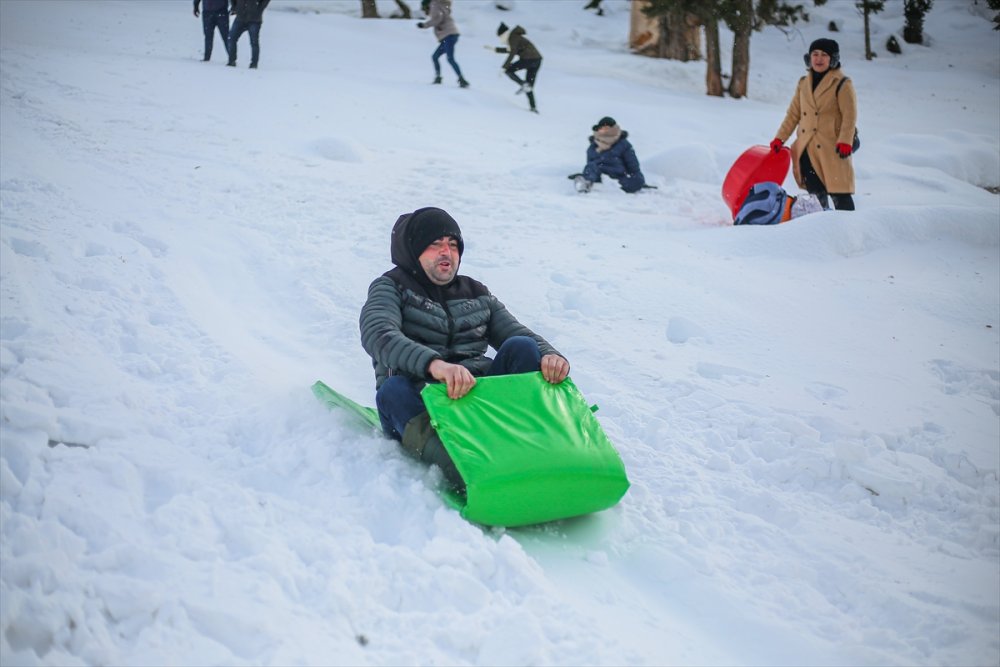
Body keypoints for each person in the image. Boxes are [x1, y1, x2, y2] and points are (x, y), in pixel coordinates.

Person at [359, 207, 570, 491]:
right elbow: (378, 333)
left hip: (478, 406)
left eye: (453, 245)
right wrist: (435, 365)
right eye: (435, 245)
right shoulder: (391, 287)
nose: (446, 252)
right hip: (422, 405)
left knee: (522, 347)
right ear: (413, 251)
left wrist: (552, 356)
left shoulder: (475, 292)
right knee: (392, 390)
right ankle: (469, 473)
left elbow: (516, 331)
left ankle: (541, 446)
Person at [771, 38, 858, 211]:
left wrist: (846, 141)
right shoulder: (803, 83)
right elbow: (793, 114)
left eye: (824, 55)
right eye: (815, 54)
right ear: (808, 58)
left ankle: (848, 231)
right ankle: (820, 232)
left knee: (840, 195)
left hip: (833, 148)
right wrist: (780, 138)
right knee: (816, 198)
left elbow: (850, 115)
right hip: (807, 149)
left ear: (833, 59)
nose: (818, 59)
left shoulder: (842, 83)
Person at [575, 116, 646, 193]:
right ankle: (586, 184)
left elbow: (633, 165)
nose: (605, 131)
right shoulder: (593, 145)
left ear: (614, 129)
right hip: (598, 174)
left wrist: (637, 179)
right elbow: (589, 163)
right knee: (592, 166)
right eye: (602, 128)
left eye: (608, 128)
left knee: (636, 182)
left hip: (617, 175)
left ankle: (614, 189)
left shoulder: (623, 144)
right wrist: (587, 175)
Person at [491, 23, 543, 114]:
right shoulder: (515, 37)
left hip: (529, 59)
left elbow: (512, 52)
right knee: (528, 86)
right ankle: (533, 107)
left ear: (504, 34)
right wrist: (496, 49)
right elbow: (511, 50)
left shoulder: (512, 38)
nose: (501, 39)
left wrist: (504, 67)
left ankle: (523, 84)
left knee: (509, 71)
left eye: (500, 36)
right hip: (537, 60)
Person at [417, 0, 470, 88]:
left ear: (426, 6)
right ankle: (438, 77)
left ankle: (461, 79)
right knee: (435, 57)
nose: (424, 12)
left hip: (448, 36)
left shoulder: (434, 5)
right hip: (451, 35)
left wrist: (424, 25)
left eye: (424, 9)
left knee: (450, 59)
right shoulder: (439, 5)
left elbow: (437, 18)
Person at [227, 0, 270, 69]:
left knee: (254, 42)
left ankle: (254, 64)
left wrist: (259, 10)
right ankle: (231, 61)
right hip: (240, 17)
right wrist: (235, 7)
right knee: (231, 38)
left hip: (254, 19)